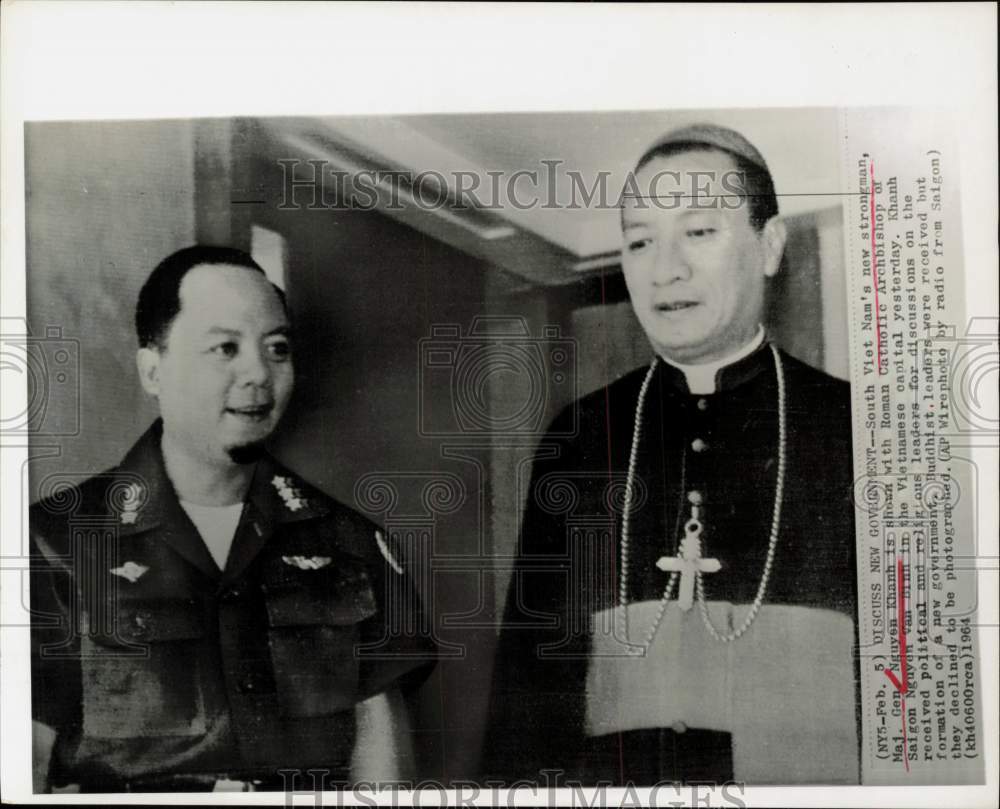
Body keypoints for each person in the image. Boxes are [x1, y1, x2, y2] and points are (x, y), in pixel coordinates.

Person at [484, 125, 859, 785]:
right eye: (639, 241)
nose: (666, 269)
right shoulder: (579, 437)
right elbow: (529, 688)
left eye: (699, 231)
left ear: (769, 246)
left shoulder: (856, 429)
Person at [29, 246, 436, 793]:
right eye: (225, 347)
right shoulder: (53, 542)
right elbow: (25, 758)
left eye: (278, 349)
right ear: (153, 370)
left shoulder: (351, 543)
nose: (259, 373)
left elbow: (381, 761)